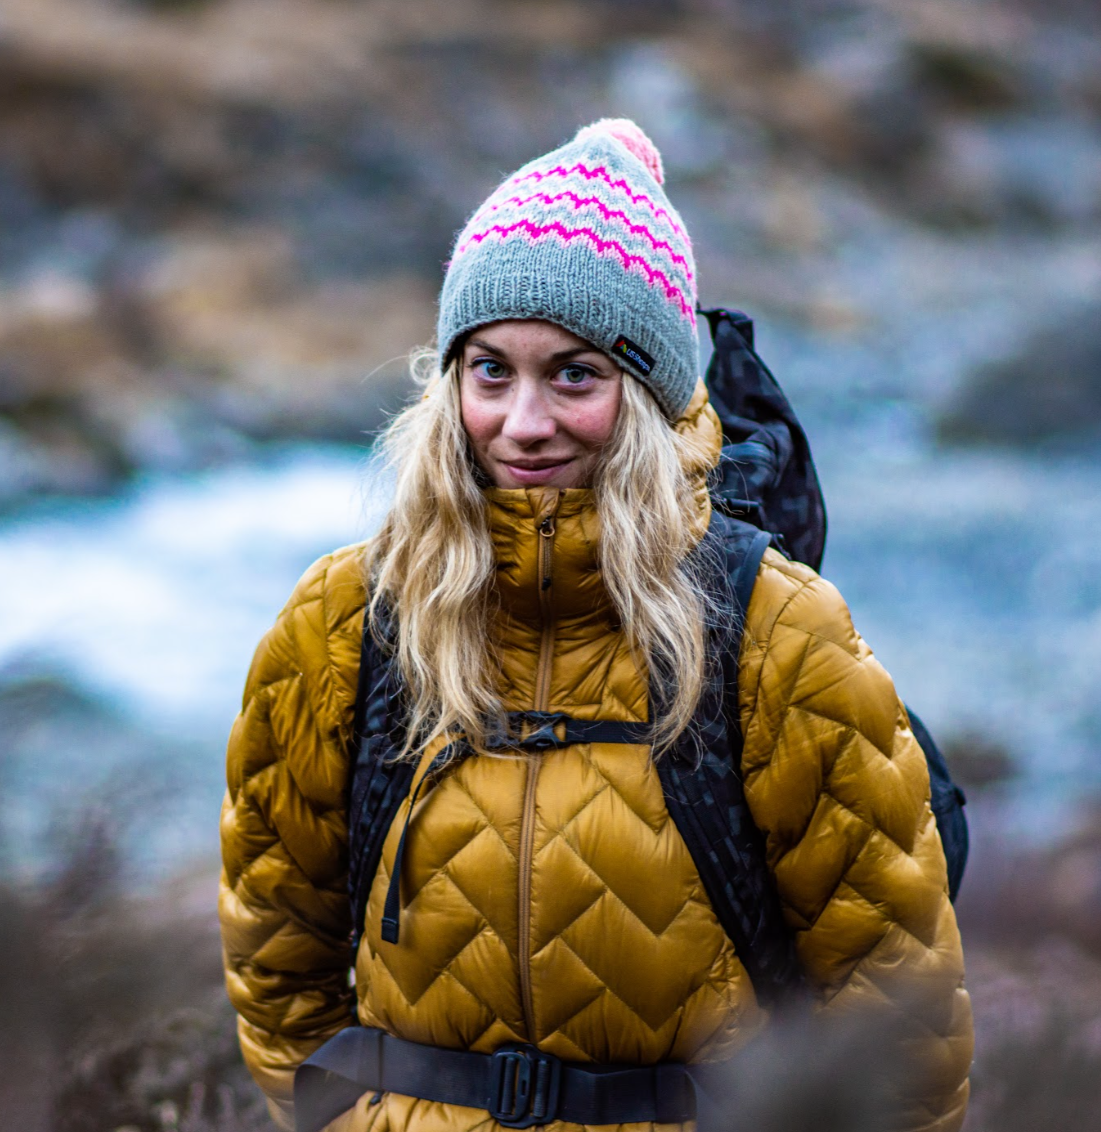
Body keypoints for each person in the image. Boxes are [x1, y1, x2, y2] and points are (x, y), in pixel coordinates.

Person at [219, 119, 973, 1132]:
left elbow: (898, 1012)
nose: (523, 421)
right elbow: (276, 948)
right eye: (489, 371)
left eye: (573, 373)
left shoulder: (774, 630)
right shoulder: (344, 620)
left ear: (652, 395)